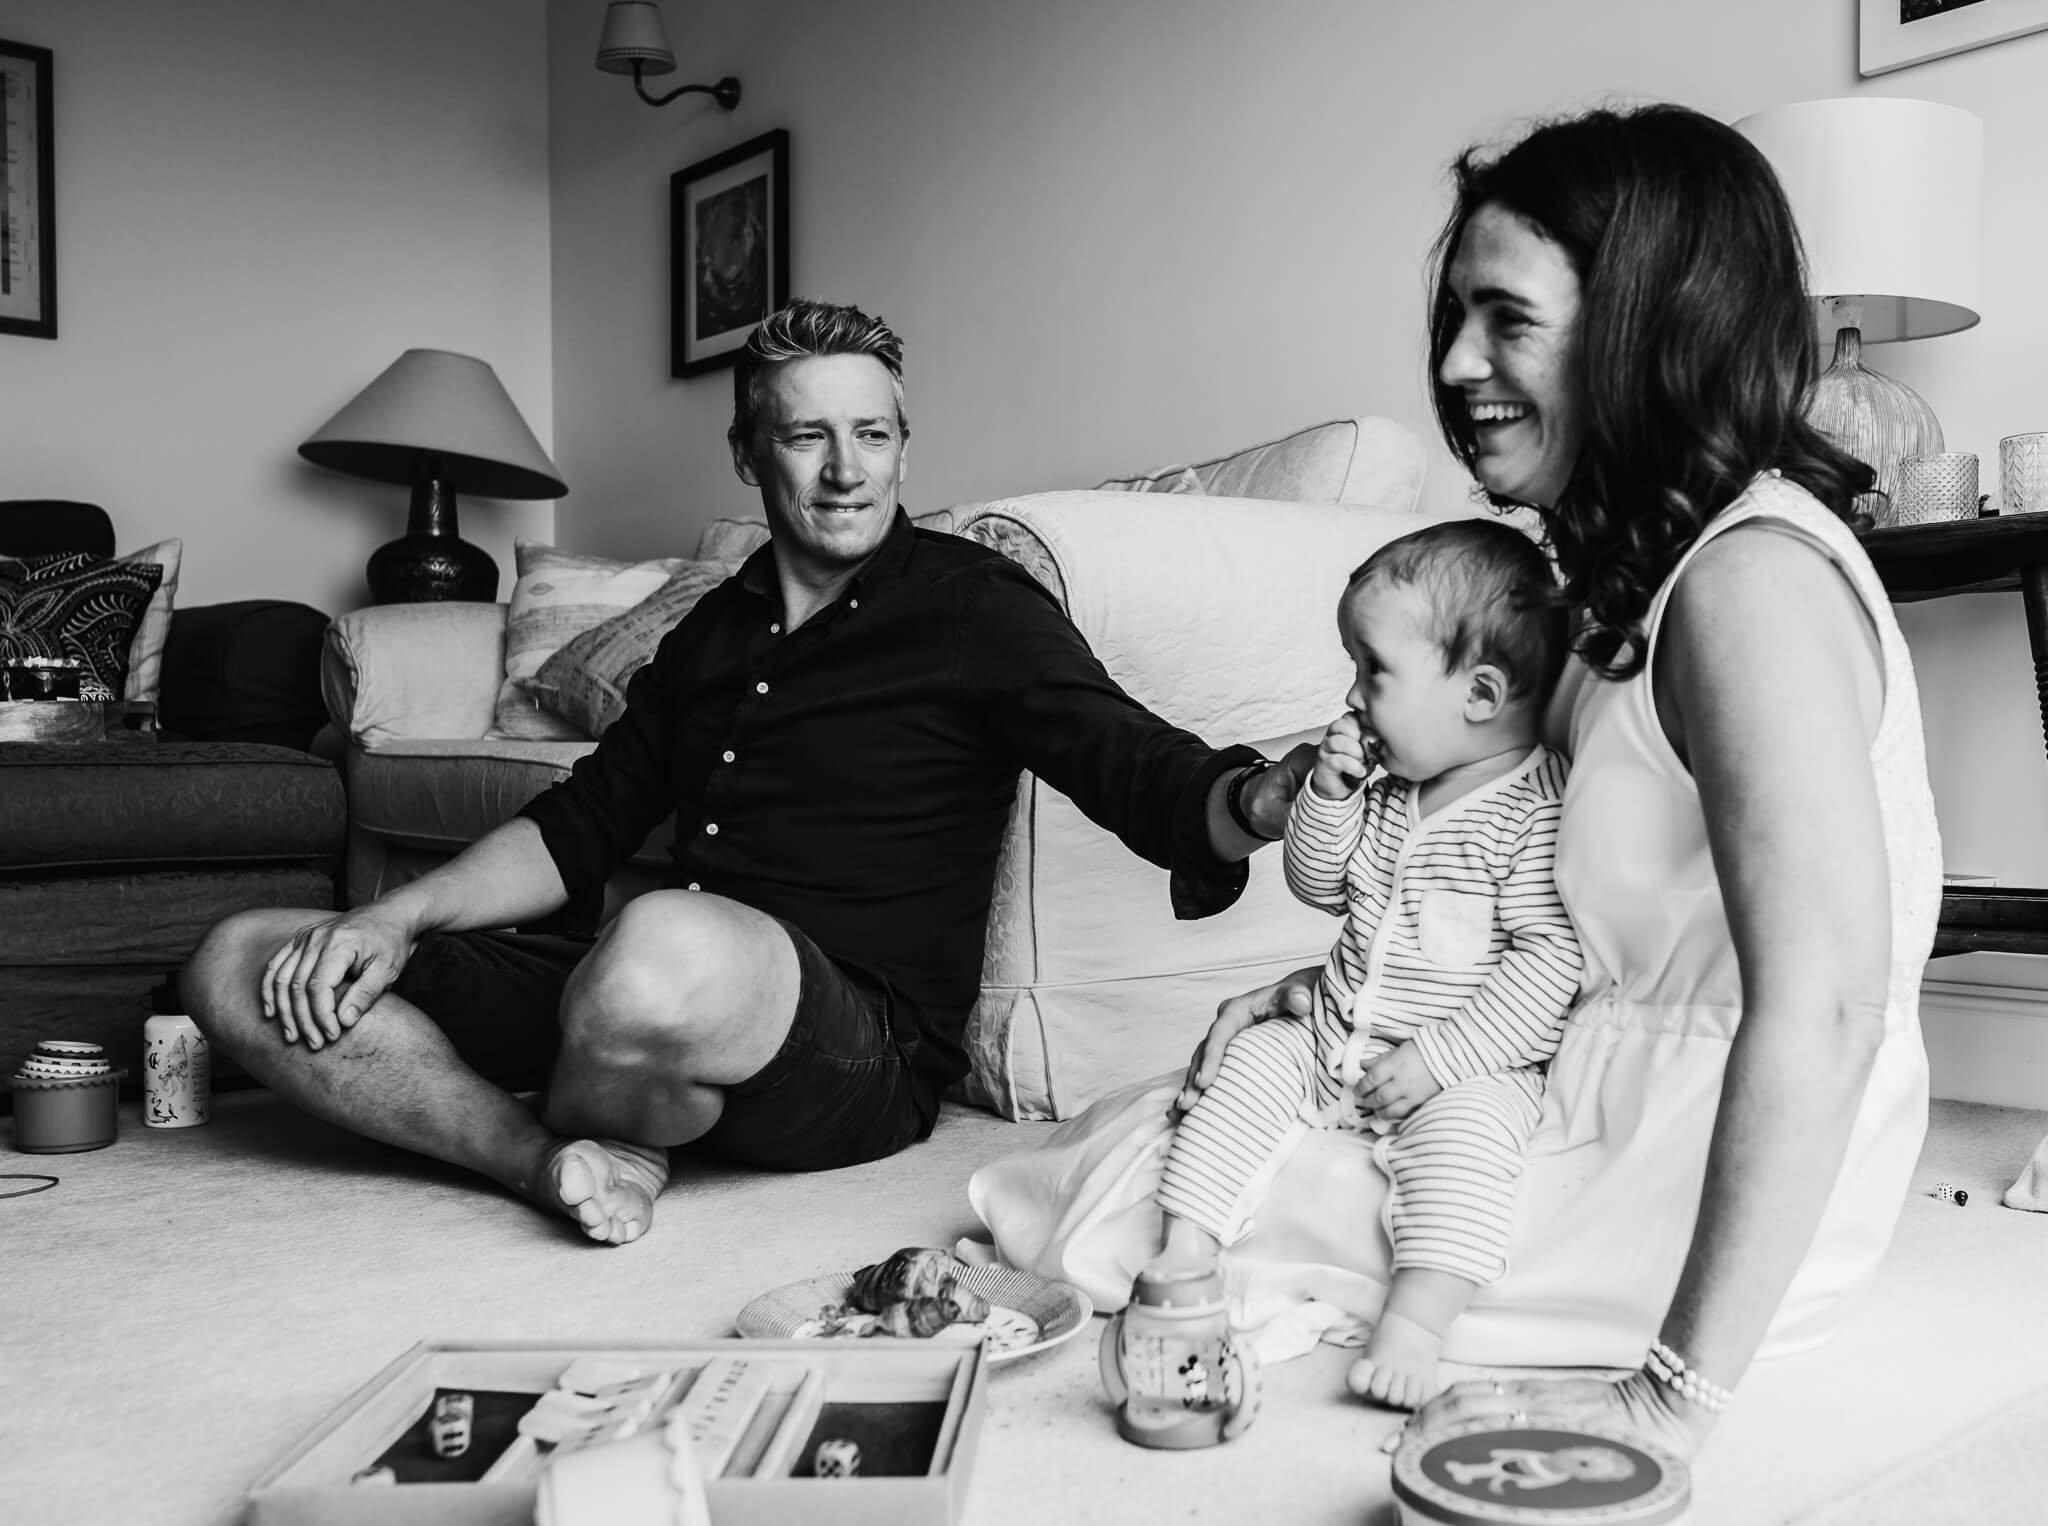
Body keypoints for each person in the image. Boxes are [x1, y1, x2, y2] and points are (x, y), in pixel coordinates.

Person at [183, 300, 1308, 1246]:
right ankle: (544, 1156)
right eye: (806, 436)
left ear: (905, 446)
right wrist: (397, 919)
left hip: (850, 1045)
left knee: (658, 949)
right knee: (245, 958)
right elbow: (584, 821)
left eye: (871, 434)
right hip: (638, 993)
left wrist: (1254, 797)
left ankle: (608, 1091)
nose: (844, 469)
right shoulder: (710, 632)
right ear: (747, 452)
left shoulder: (972, 603)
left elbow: (1127, 754)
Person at [1175, 104, 1943, 1454]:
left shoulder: (1752, 583)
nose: (1458, 363)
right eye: (1453, 319)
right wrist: (1343, 986)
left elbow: (1826, 1009)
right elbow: (1541, 906)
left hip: (1699, 1176)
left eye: (1506, 319)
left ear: (1652, 328)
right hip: (1599, 1089)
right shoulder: (1623, 591)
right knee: (1204, 1116)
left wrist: (1672, 1397)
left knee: (1126, 1196)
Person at [1153, 520, 1580, 1410]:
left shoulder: (1532, 812)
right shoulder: (1389, 794)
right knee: (1248, 1067)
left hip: (1459, 1064)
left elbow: (1548, 963)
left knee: (1472, 1148)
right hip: (1334, 1031)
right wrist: (1328, 792)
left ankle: (1416, 1325)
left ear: (1481, 691)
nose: (1350, 697)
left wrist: (1442, 1061)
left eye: (1373, 671)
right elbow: (1317, 884)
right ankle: (1186, 1244)